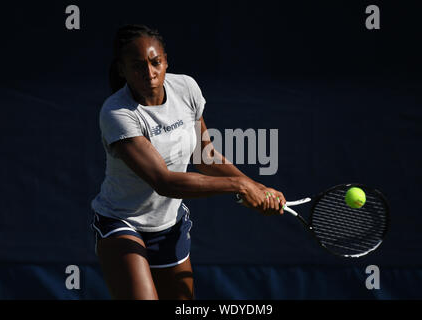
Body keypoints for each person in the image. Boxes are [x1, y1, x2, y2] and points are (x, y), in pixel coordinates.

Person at [90, 24, 286, 300]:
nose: (149, 72)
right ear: (121, 70)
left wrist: (255, 186)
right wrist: (239, 185)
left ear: (166, 60)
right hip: (122, 222)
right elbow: (164, 182)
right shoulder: (117, 113)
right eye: (137, 66)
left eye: (155, 62)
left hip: (169, 226)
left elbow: (205, 156)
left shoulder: (186, 88)